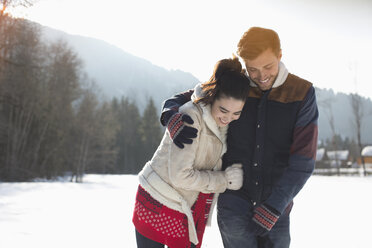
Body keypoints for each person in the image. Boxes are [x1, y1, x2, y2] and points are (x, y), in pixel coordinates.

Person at [160, 27, 319, 248]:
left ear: (280, 56)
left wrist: (274, 206)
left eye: (268, 66)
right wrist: (170, 113)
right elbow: (193, 94)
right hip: (234, 202)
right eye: (252, 69)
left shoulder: (301, 93)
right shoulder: (237, 84)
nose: (261, 76)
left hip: (277, 207)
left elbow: (303, 162)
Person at [132, 56, 251, 248]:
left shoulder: (223, 123)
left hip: (182, 205)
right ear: (213, 96)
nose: (228, 118)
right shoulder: (191, 118)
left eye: (236, 113)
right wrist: (223, 180)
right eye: (224, 110)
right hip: (158, 199)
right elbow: (180, 176)